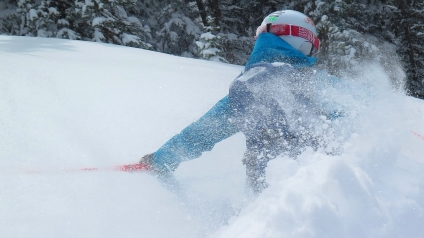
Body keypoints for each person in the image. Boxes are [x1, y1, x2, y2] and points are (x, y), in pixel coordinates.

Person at [141, 10, 344, 192]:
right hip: (324, 189)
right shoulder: (320, 84)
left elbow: (200, 134)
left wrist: (160, 160)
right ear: (302, 42)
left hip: (265, 198)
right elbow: (369, 116)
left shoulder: (246, 87)